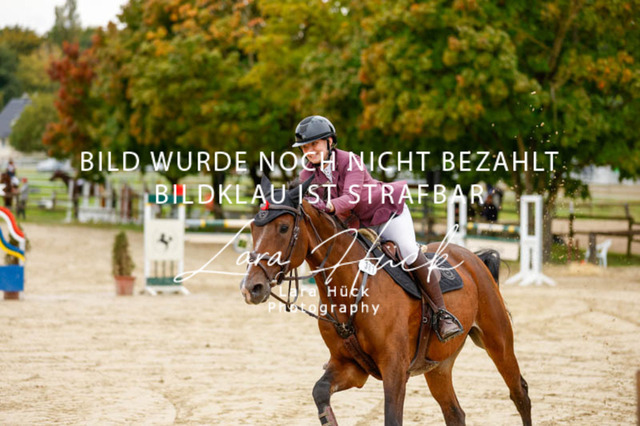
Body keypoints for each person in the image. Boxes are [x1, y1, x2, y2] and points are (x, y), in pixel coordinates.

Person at [294, 115, 463, 342]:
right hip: (356, 225)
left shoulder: (350, 161)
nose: (309, 151)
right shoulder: (307, 174)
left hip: (386, 214)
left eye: (314, 144)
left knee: (408, 251)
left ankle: (442, 314)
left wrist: (327, 205)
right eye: (305, 147)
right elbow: (304, 200)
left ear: (330, 141)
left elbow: (351, 198)